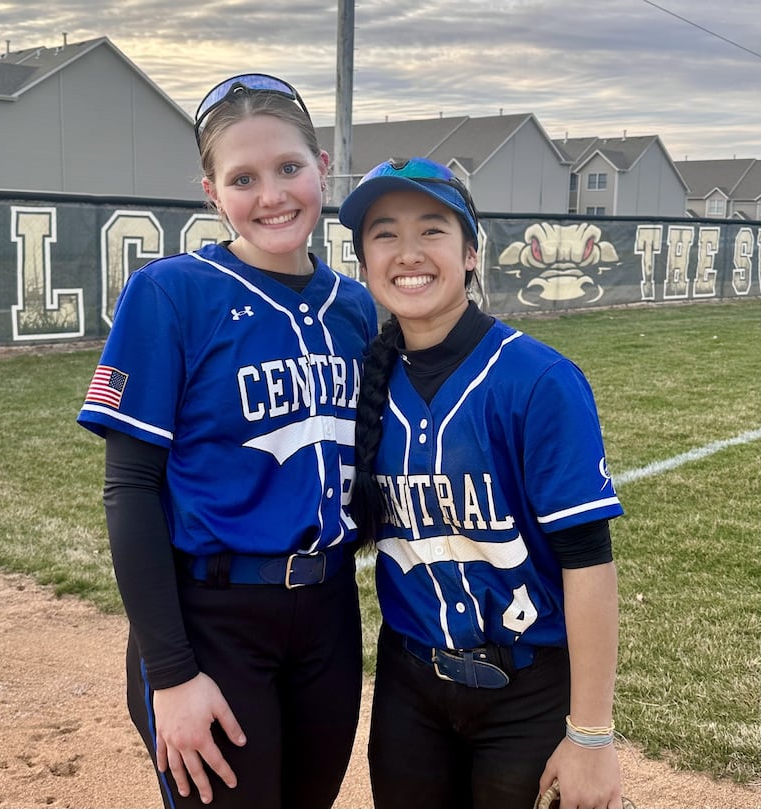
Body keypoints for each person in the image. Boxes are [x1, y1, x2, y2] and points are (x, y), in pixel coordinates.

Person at [78, 73, 377, 809]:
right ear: (213, 193)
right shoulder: (171, 292)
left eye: (288, 167)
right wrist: (171, 673)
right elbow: (129, 487)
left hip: (329, 614)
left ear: (322, 168)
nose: (271, 194)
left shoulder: (356, 307)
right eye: (243, 178)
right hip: (211, 617)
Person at [338, 157, 625, 809]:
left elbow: (588, 562)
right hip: (410, 687)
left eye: (432, 229)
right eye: (384, 234)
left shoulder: (538, 379)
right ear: (364, 261)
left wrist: (590, 734)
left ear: (470, 252)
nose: (408, 252)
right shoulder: (366, 383)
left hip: (527, 690)